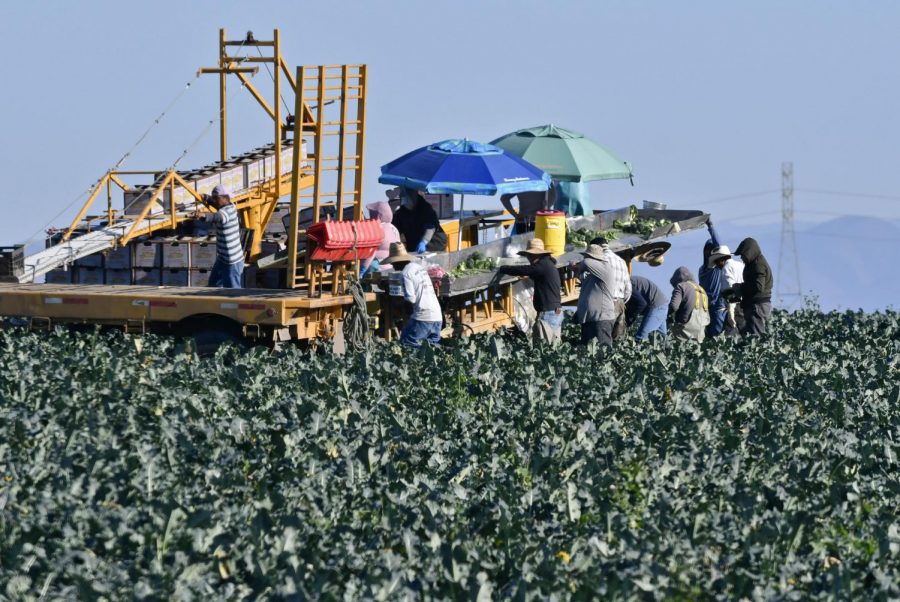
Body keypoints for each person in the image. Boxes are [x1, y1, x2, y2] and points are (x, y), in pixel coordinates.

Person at [497, 238, 563, 345]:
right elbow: (540, 278)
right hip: (554, 312)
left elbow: (525, 269)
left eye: (528, 255)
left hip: (548, 313)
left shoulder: (542, 264)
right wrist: (529, 276)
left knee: (544, 348)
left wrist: (503, 268)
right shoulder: (548, 264)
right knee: (553, 347)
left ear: (534, 255)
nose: (528, 258)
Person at [382, 242, 442, 348]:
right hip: (437, 316)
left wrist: (404, 315)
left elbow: (410, 301)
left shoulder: (405, 274)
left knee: (407, 345)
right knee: (432, 351)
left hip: (423, 317)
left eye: (393, 263)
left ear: (398, 262)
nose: (393, 266)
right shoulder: (418, 268)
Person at [573, 243, 618, 346]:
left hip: (601, 319)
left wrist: (575, 264)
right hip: (591, 319)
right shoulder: (594, 274)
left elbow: (586, 262)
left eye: (586, 255)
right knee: (588, 354)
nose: (584, 257)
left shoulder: (605, 268)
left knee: (602, 353)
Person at [589, 236, 631, 340]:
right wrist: (620, 302)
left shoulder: (599, 260)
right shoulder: (621, 261)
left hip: (606, 303)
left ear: (596, 247)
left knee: (602, 338)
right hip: (620, 303)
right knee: (616, 338)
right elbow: (628, 288)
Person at [205, 185, 244, 288]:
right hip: (222, 258)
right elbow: (215, 204)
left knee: (232, 291)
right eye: (213, 198)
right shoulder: (225, 205)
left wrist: (203, 216)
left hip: (232, 262)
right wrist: (206, 198)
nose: (214, 201)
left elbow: (217, 217)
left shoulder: (228, 211)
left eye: (216, 198)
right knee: (213, 285)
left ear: (225, 198)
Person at [734, 237, 773, 335]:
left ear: (749, 252)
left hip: (758, 306)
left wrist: (740, 287)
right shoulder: (754, 263)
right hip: (756, 305)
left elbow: (758, 287)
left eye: (742, 255)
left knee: (757, 338)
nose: (741, 258)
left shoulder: (758, 265)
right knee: (752, 339)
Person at [391, 188, 448, 253]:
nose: (407, 204)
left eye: (408, 200)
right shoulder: (400, 214)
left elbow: (430, 228)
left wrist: (424, 242)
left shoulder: (426, 208)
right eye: (404, 201)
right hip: (414, 247)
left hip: (435, 244)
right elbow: (394, 230)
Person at [698, 220, 728, 338]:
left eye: (712, 250)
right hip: (710, 308)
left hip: (715, 307)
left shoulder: (709, 267)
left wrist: (711, 227)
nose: (709, 252)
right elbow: (719, 246)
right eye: (707, 250)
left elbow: (719, 247)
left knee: (715, 339)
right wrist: (710, 226)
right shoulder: (707, 267)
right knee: (714, 339)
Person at [708, 245, 745, 334]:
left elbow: (730, 290)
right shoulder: (740, 265)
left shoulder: (726, 269)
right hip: (747, 304)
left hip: (737, 308)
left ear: (721, 259)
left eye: (716, 262)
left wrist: (731, 311)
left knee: (732, 336)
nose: (716, 265)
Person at [668, 266, 710, 341]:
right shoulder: (702, 290)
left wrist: (664, 313)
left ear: (678, 279)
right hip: (701, 332)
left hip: (685, 330)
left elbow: (673, 306)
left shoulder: (681, 286)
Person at [361, 201, 401, 277]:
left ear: (378, 215)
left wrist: (363, 269)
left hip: (376, 269)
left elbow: (371, 252)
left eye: (372, 212)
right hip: (391, 267)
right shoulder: (394, 229)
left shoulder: (376, 229)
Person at [626, 275, 668, 341]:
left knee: (642, 337)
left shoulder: (626, 285)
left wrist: (627, 322)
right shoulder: (627, 282)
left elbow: (641, 304)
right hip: (661, 304)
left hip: (657, 305)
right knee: (661, 340)